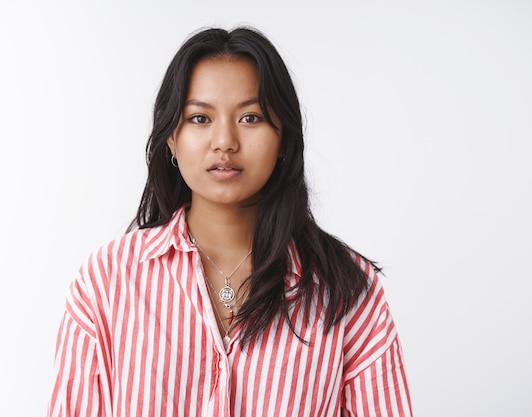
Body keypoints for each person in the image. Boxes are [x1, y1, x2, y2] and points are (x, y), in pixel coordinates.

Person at [49, 26, 413, 416]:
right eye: (200, 118)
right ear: (172, 137)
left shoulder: (347, 289)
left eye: (251, 117)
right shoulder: (107, 280)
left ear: (284, 139)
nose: (224, 141)